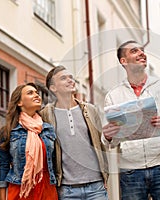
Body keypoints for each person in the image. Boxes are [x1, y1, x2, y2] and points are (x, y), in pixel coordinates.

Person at [102, 40, 160, 200]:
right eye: (134, 51)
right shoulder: (113, 95)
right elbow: (109, 141)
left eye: (142, 50)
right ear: (123, 61)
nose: (141, 53)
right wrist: (108, 136)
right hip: (130, 171)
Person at [40, 65, 109, 200]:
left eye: (71, 77)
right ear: (53, 88)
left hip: (96, 186)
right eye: (64, 78)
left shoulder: (90, 110)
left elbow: (100, 144)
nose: (70, 80)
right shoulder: (46, 114)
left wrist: (105, 174)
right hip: (67, 189)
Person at [0, 83, 58, 200]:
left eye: (37, 93)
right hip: (20, 190)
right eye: (30, 93)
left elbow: (55, 163)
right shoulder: (7, 132)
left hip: (47, 189)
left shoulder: (48, 129)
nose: (36, 96)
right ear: (19, 103)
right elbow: (3, 167)